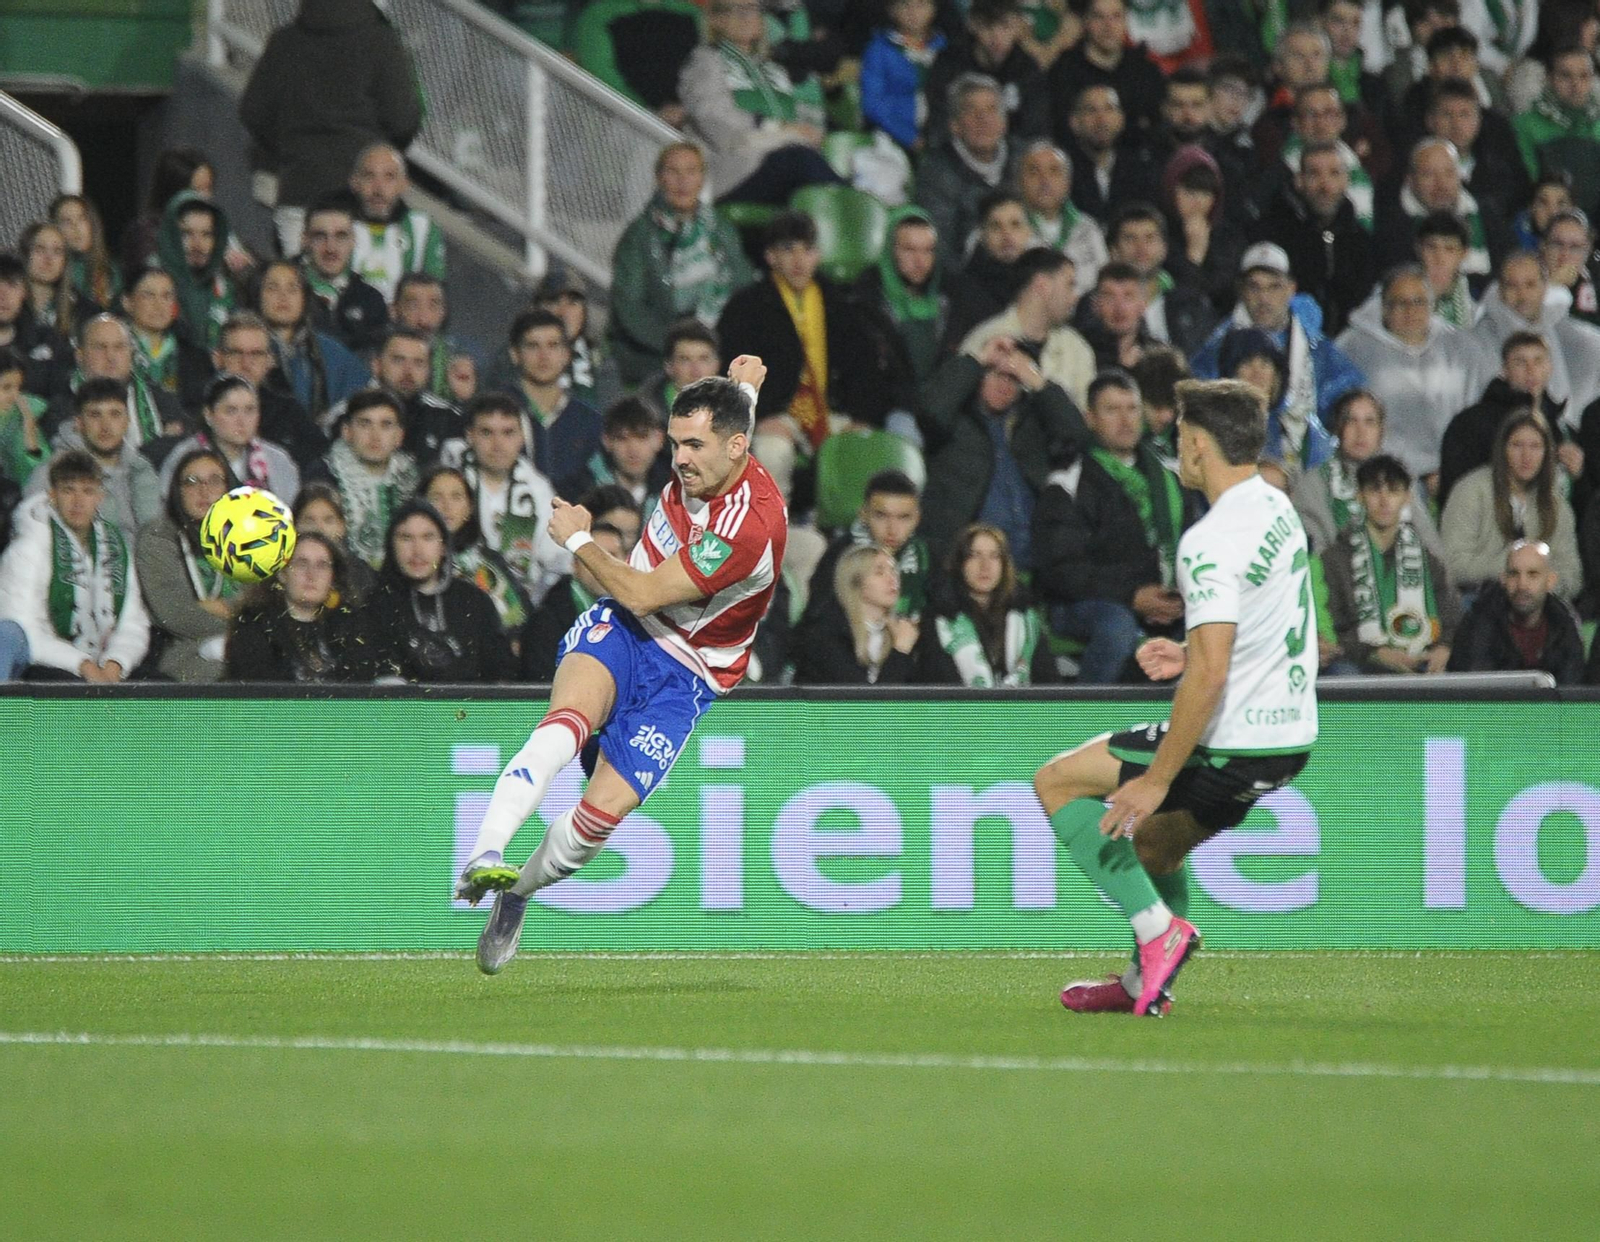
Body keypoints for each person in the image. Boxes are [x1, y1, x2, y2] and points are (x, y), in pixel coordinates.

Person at [457, 358, 789, 977]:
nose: (680, 459)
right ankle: (485, 851)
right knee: (564, 724)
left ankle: (516, 895)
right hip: (627, 632)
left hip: (688, 673)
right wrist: (745, 384)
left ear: (736, 448)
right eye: (675, 442)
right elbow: (632, 607)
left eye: (694, 446)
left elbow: (642, 589)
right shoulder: (723, 446)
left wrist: (581, 541)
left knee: (594, 825)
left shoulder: (748, 529)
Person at [1036, 378, 1317, 1017]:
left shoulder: (1209, 540)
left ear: (1195, 444)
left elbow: (1213, 677)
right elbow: (1271, 625)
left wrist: (1156, 779)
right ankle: (1144, 983)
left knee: (1057, 782)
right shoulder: (1275, 506)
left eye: (1180, 437)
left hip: (1234, 737)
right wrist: (1190, 653)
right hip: (1288, 739)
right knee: (1157, 846)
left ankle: (1156, 932)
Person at [716, 212, 894, 499]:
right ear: (771, 256)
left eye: (807, 250)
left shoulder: (840, 302)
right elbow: (733, 371)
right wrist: (758, 417)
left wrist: (860, 418)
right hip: (776, 415)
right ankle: (773, 534)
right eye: (788, 249)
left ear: (818, 255)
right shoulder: (746, 307)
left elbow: (865, 366)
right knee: (773, 451)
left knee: (864, 446)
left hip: (830, 411)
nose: (799, 260)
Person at [1033, 370, 1191, 683]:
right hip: (1082, 605)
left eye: (1132, 409)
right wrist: (1132, 596)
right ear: (1089, 418)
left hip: (1163, 599)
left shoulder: (1170, 478)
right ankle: (1087, 719)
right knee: (1117, 626)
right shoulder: (1068, 484)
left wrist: (1177, 596)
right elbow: (1061, 570)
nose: (1125, 419)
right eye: (1112, 410)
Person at [239, 0, 422, 257]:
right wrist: (375, 157)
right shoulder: (380, 41)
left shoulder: (285, 42)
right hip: (361, 200)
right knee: (364, 293)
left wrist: (290, 148)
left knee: (302, 290)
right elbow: (403, 119)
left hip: (298, 190)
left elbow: (253, 111)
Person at [918, 335, 1086, 563]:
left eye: (1014, 379)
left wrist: (1038, 382)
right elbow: (931, 413)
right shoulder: (956, 419)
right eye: (997, 374)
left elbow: (1075, 436)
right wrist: (976, 360)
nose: (1004, 385)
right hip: (967, 556)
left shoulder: (1033, 421)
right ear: (979, 376)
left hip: (1035, 554)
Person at [1334, 265, 1494, 489]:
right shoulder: (1352, 348)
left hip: (1455, 476)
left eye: (1418, 302)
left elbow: (1483, 416)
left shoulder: (1462, 348)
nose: (1410, 311)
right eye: (1400, 302)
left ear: (1432, 305)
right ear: (1383, 307)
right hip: (1380, 478)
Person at [607, 142, 753, 386]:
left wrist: (718, 345)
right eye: (673, 172)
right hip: (657, 356)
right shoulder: (640, 236)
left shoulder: (721, 228)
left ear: (702, 179)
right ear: (659, 178)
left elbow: (743, 288)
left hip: (719, 349)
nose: (682, 181)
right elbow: (630, 309)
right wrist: (681, 347)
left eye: (691, 171)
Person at [0, 449, 150, 682]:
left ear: (100, 496)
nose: (78, 502)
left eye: (88, 491)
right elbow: (21, 628)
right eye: (69, 490)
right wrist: (83, 664)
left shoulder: (115, 547)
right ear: (52, 494)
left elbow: (133, 622)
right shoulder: (29, 547)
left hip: (103, 663)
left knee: (159, 686)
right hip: (47, 663)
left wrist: (115, 663)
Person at [1191, 242, 1366, 430]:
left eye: (1274, 287)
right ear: (1241, 290)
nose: (1263, 298)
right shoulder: (1219, 346)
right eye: (1254, 287)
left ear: (1291, 288)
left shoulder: (1315, 346)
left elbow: (1348, 391)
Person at [677, 0, 836, 203]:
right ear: (717, 20)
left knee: (810, 169)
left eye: (753, 9)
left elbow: (798, 117)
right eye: (738, 10)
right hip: (736, 171)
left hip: (783, 162)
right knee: (800, 161)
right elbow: (714, 121)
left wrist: (803, 132)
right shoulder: (705, 61)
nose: (748, 17)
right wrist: (777, 129)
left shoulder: (774, 69)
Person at [1322, 453, 1460, 674]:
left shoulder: (1426, 558)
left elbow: (1451, 612)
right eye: (1375, 490)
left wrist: (1443, 647)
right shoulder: (1335, 558)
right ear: (1360, 496)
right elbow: (1333, 628)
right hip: (1362, 663)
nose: (1384, 501)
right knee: (1344, 671)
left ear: (1407, 497)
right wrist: (1374, 653)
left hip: (1421, 659)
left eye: (1393, 491)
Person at [438, 393, 567, 605]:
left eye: (508, 433)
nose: (498, 444)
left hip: (522, 608)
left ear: (522, 437)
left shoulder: (538, 490)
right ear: (470, 436)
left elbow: (558, 560)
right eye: (487, 433)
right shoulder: (448, 480)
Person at [366, 499, 514, 684]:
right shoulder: (375, 606)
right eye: (406, 538)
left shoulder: (475, 602)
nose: (417, 551)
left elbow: (502, 673)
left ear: (443, 546)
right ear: (391, 546)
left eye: (428, 537)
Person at [1441, 408, 1583, 597]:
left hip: (1540, 605)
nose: (1526, 456)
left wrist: (1538, 585)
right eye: (1517, 445)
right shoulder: (1471, 491)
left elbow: (1572, 575)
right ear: (1502, 449)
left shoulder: (1556, 504)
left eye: (1535, 446)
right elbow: (1453, 566)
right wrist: (1514, 568)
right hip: (1479, 600)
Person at [1292, 388, 1447, 556]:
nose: (1361, 432)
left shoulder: (1399, 482)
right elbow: (1312, 552)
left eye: (1369, 422)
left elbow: (1432, 549)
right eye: (1351, 421)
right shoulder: (1313, 484)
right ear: (1338, 427)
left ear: (1382, 431)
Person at [134, 447, 240, 682]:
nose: (204, 491)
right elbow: (174, 613)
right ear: (177, 491)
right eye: (191, 481)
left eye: (214, 481)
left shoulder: (244, 540)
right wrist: (239, 624)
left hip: (241, 646)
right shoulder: (157, 537)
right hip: (182, 651)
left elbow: (259, 603)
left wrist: (217, 606)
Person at [1252, 140, 1374, 338]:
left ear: (1346, 181)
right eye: (1314, 174)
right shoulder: (1273, 235)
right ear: (1299, 181)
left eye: (1334, 174)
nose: (1324, 185)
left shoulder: (1361, 240)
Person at [1441, 331, 1573, 511]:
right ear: (1504, 370)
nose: (1531, 370)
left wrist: (1578, 473)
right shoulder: (1471, 424)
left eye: (1538, 361)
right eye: (1520, 362)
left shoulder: (1561, 427)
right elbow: (1459, 492)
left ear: (1550, 367)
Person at [225, 530, 376, 682]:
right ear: (282, 573)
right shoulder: (254, 623)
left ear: (333, 577)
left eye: (322, 565)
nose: (312, 574)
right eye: (301, 563)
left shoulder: (351, 624)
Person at [921, 522, 1055, 684]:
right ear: (959, 563)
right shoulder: (938, 619)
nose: (985, 566)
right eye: (974, 555)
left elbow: (1050, 684)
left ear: (1004, 565)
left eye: (994, 556)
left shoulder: (1026, 618)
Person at [960, 247, 1094, 409]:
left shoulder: (1076, 349)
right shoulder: (986, 340)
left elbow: (1085, 419)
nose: (1075, 297)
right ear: (1042, 285)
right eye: (1069, 285)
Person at [26, 378, 161, 538]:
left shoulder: (142, 469)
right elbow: (33, 537)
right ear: (79, 423)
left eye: (115, 414)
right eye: (95, 415)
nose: (106, 426)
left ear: (127, 421)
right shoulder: (49, 474)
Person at [1473, 250, 1600, 418]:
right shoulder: (1479, 340)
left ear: (1545, 287)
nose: (1522, 295)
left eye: (1530, 284)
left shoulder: (1555, 328)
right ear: (1500, 290)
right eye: (1512, 286)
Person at [800, 468, 931, 629]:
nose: (892, 529)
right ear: (863, 514)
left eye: (904, 517)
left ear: (917, 518)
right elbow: (816, 620)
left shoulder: (927, 556)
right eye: (881, 516)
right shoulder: (840, 556)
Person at [1373, 137, 1508, 287]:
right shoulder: (1391, 226)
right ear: (1410, 180)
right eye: (1428, 174)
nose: (1441, 184)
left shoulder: (1485, 214)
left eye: (1449, 173)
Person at [1448, 538, 1588, 682]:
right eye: (1514, 574)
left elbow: (1571, 688)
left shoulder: (1565, 624)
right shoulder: (1477, 621)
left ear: (1550, 581)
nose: (1522, 585)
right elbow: (1476, 687)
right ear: (1503, 579)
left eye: (1532, 574)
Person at [421, 463, 535, 640]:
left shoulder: (490, 562)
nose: (446, 506)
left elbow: (521, 622)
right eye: (437, 497)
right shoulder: (410, 562)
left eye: (456, 497)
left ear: (469, 508)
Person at [308, 387, 418, 567]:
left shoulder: (413, 479)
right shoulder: (323, 476)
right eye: (365, 424)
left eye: (386, 425)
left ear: (399, 436)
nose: (375, 436)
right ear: (347, 432)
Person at [915, 74, 1014, 265]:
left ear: (1004, 123)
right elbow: (940, 249)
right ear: (955, 125)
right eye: (971, 110)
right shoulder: (936, 173)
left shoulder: (1025, 160)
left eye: (991, 109)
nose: (983, 119)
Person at [158, 373, 300, 503]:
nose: (242, 421)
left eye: (250, 410)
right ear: (208, 414)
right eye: (231, 411)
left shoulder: (277, 460)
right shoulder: (185, 456)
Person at [255, 259, 369, 422]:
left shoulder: (331, 352)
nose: (283, 297)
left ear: (305, 297)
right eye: (272, 288)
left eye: (292, 289)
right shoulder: (243, 346)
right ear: (257, 295)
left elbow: (361, 402)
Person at [502, 310, 603, 494]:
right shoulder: (495, 413)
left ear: (566, 354)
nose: (544, 356)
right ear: (515, 354)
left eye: (553, 345)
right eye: (533, 346)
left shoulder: (589, 420)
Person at [517, 520, 630, 682]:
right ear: (575, 564)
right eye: (594, 557)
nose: (602, 566)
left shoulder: (640, 613)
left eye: (612, 556)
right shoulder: (546, 621)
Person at [925, 0, 1050, 145]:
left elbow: (1035, 127)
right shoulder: (950, 62)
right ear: (973, 25)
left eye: (1005, 27)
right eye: (988, 27)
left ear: (1018, 27)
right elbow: (940, 118)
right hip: (957, 151)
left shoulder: (1027, 69)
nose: (997, 37)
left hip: (1010, 155)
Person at [210, 312, 325, 469]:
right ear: (218, 358)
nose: (246, 363)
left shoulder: (290, 412)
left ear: (270, 361)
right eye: (236, 353)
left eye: (256, 354)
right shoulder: (196, 409)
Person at [792, 544, 922, 684]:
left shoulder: (899, 633)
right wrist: (900, 651)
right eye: (879, 572)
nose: (892, 580)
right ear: (855, 582)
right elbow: (864, 702)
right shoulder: (826, 635)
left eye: (893, 571)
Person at [855, 208, 951, 387]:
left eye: (928, 250)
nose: (920, 260)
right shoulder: (866, 305)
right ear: (890, 250)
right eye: (909, 250)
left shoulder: (947, 304)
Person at [1047, 0, 1166, 143]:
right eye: (1099, 17)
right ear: (1086, 21)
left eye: (1116, 17)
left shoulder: (1144, 69)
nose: (1108, 26)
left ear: (1126, 21)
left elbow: (1157, 123)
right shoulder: (1064, 69)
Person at [348, 144, 446, 302]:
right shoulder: (336, 224)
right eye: (369, 176)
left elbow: (434, 292)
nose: (378, 188)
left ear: (404, 184)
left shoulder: (423, 227)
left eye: (389, 177)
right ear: (354, 182)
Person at [1513, 44, 1600, 216]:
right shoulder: (1524, 125)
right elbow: (1530, 184)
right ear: (1549, 78)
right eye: (1566, 76)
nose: (1576, 84)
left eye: (1584, 76)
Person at [1160, 145, 1245, 318]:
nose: (1198, 202)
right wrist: (1194, 256)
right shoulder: (1158, 234)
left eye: (1206, 193)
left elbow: (1220, 291)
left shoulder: (1228, 237)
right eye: (1189, 192)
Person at [1015, 140, 1108, 295]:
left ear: (1068, 182)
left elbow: (1105, 283)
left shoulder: (1088, 228)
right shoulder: (1006, 226)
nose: (1044, 180)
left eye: (1054, 171)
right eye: (1034, 172)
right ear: (1019, 181)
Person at [300, 193, 389, 354]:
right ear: (305, 240)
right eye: (320, 236)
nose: (331, 248)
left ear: (353, 241)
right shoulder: (282, 288)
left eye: (341, 236)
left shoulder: (371, 301)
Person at [1061, 84, 1161, 227]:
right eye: (1091, 110)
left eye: (1109, 109)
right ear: (1074, 122)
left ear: (1121, 119)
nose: (1101, 120)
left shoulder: (1141, 169)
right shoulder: (1061, 169)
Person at [122, 266, 213, 416]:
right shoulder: (112, 350)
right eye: (149, 295)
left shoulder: (196, 358)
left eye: (167, 296)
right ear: (127, 302)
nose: (159, 305)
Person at [860, 0, 947, 152]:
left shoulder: (945, 48)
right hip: (891, 138)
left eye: (921, 5)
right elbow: (872, 103)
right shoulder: (879, 50)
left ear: (933, 9)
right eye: (905, 5)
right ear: (893, 11)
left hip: (941, 136)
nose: (913, 12)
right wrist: (908, 136)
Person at [156, 192, 237, 351]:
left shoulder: (225, 290)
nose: (198, 245)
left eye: (206, 234)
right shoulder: (148, 284)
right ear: (171, 236)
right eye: (187, 234)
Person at [562, 396, 672, 512]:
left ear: (659, 439)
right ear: (607, 441)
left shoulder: (677, 491)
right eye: (622, 438)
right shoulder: (578, 492)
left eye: (642, 438)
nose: (633, 451)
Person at [393, 272, 475, 404]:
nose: (424, 320)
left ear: (444, 311)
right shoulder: (375, 353)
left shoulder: (458, 357)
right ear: (395, 310)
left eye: (434, 305)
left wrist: (464, 399)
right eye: (413, 306)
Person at [0, 253, 73, 402]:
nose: (3, 295)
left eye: (12, 285)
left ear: (24, 292)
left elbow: (63, 399)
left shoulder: (49, 341)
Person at [292, 479, 376, 602]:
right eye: (309, 520)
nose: (319, 529)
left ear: (342, 526)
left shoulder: (363, 575)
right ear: (295, 525)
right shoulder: (281, 569)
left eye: (328, 520)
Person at [19, 221, 98, 340]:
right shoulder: (7, 305)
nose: (48, 259)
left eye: (57, 251)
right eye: (40, 249)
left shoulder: (83, 310)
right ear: (25, 254)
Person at [51, 193, 120, 310]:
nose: (76, 227)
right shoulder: (53, 271)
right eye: (67, 222)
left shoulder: (111, 270)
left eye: (82, 218)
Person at [1413, 210, 1477, 329]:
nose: (1439, 258)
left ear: (1464, 253)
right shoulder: (1397, 290)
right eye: (1431, 247)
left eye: (1449, 249)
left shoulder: (1477, 296)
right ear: (1418, 249)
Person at [1539, 209, 1600, 327]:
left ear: (1588, 250)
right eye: (1557, 244)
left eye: (1575, 247)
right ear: (1543, 246)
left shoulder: (1596, 281)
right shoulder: (1526, 279)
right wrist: (1554, 287)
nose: (1565, 255)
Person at [0, 348, 47, 489]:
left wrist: (29, 433)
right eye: (6, 387)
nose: (15, 395)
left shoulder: (24, 418)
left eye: (18, 387)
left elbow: (43, 477)